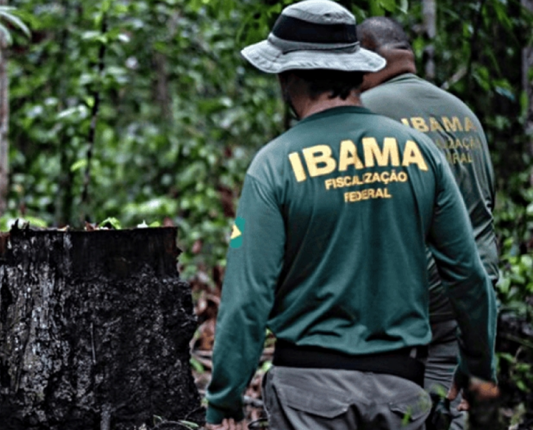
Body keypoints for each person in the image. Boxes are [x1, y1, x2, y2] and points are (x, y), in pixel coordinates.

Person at [204, 1, 498, 429]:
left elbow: (247, 300)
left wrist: (224, 401)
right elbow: (469, 277)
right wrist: (476, 371)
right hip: (404, 394)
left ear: (288, 77)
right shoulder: (421, 152)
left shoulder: (273, 165)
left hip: (306, 398)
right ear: (357, 72)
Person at [357, 17, 499, 429]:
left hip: (406, 307)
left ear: (362, 57)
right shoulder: (464, 114)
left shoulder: (364, 114)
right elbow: (484, 206)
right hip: (471, 299)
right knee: (448, 411)